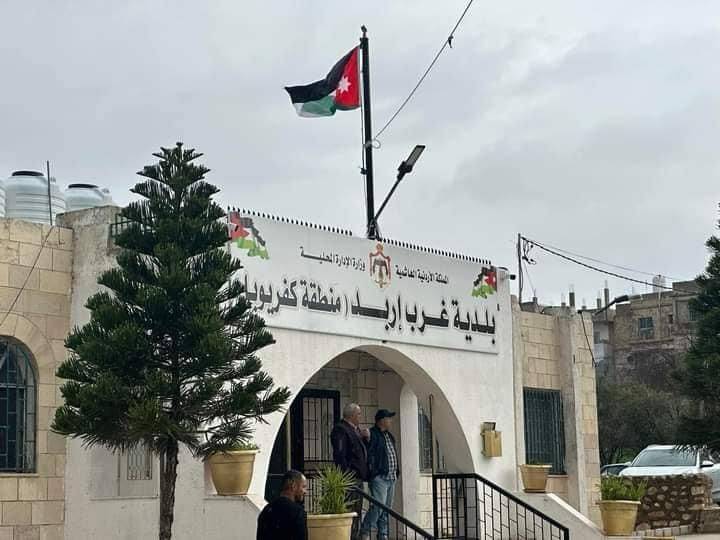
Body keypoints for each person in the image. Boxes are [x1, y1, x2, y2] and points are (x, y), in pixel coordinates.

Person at [331, 403, 370, 539]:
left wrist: (365, 439)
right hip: (350, 478)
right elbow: (340, 454)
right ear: (352, 415)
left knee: (356, 511)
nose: (360, 417)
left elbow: (360, 451)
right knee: (350, 511)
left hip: (358, 477)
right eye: (359, 414)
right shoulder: (341, 429)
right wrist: (347, 475)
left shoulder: (355, 430)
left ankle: (354, 535)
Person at [360, 409, 399, 540]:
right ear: (382, 420)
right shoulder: (373, 433)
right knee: (378, 506)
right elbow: (367, 443)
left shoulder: (389, 435)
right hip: (380, 478)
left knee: (386, 509)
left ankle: (383, 534)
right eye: (388, 418)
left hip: (391, 477)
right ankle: (365, 531)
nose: (391, 421)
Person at [257, 470, 308, 540]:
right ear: (293, 486)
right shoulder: (298, 512)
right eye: (303, 486)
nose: (305, 491)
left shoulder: (266, 511)